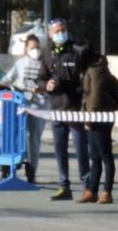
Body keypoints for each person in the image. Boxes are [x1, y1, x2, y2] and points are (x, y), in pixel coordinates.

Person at [38, 18, 90, 201]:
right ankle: (64, 186)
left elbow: (87, 77)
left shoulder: (76, 50)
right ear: (50, 34)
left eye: (63, 30)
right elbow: (40, 78)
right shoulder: (46, 53)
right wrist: (47, 85)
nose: (60, 33)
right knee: (60, 149)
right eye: (56, 31)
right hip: (56, 108)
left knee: (81, 149)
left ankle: (87, 186)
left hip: (74, 108)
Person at [0, 31, 49, 184]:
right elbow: (7, 79)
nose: (35, 50)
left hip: (39, 105)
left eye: (37, 47)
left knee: (33, 139)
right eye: (32, 47)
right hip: (21, 104)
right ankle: (10, 167)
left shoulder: (46, 64)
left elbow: (51, 83)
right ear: (25, 49)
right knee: (15, 135)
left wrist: (42, 88)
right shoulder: (20, 63)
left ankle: (32, 172)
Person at [80, 53, 118, 204]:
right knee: (96, 156)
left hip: (99, 119)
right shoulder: (97, 70)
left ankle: (106, 192)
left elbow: (95, 99)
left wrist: (89, 119)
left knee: (104, 155)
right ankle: (92, 191)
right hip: (98, 117)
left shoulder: (96, 71)